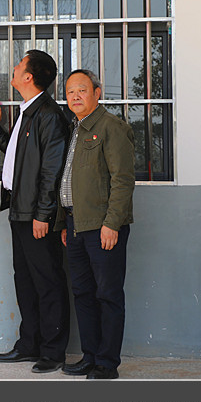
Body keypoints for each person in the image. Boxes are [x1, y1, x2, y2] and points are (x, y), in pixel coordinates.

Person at [0, 50, 71, 374]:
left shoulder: (48, 115)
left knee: (47, 281)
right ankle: (29, 344)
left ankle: (52, 351)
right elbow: (17, 157)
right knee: (25, 280)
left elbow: (52, 170)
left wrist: (43, 214)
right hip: (20, 210)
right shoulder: (29, 111)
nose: (13, 67)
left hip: (36, 216)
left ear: (29, 76)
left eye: (19, 64)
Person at [58, 69, 135, 380]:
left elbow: (123, 180)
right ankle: (89, 356)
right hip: (76, 225)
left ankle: (106, 363)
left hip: (102, 227)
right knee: (83, 293)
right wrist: (66, 223)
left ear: (97, 93)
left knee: (108, 295)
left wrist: (112, 224)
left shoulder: (111, 127)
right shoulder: (75, 128)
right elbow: (70, 180)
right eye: (70, 92)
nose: (75, 96)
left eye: (82, 90)